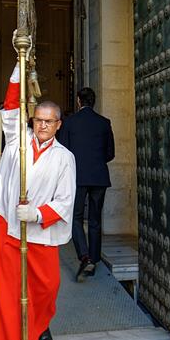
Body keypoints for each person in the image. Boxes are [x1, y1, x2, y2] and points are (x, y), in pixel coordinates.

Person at [0, 59, 76, 340]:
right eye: (38, 120)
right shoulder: (17, 141)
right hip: (8, 227)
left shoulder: (65, 158)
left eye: (48, 121)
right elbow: (11, 106)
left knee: (46, 288)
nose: (42, 126)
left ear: (58, 124)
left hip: (40, 233)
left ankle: (41, 324)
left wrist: (37, 214)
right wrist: (20, 66)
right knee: (12, 294)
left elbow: (65, 201)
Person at [57, 87, 115, 281]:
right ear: (93, 101)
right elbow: (110, 153)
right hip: (99, 177)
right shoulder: (104, 123)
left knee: (75, 217)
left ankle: (85, 257)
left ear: (78, 101)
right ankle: (95, 259)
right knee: (95, 219)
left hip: (77, 177)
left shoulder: (70, 122)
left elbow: (62, 151)